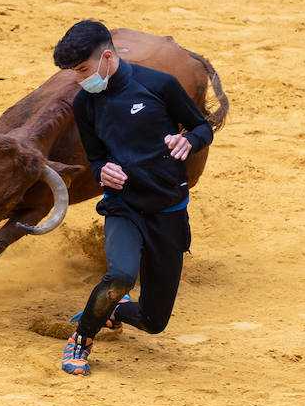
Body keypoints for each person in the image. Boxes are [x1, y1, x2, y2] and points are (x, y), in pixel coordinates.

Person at [52, 20, 213, 376]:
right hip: (123, 207)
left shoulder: (159, 85)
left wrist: (190, 141)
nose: (79, 79)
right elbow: (95, 157)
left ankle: (112, 310)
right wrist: (102, 171)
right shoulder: (85, 104)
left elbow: (201, 126)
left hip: (169, 211)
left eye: (82, 70)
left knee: (154, 321)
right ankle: (81, 338)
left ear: (107, 57)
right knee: (121, 275)